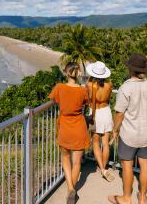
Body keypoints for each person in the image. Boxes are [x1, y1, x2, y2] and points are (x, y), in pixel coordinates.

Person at [108, 53, 147, 204]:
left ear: (130, 69)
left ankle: (126, 198)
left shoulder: (125, 87)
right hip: (146, 133)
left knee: (127, 165)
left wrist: (115, 130)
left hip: (129, 133)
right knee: (145, 165)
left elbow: (119, 114)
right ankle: (142, 197)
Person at [49, 62, 90, 204]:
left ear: (66, 73)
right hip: (79, 126)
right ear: (78, 73)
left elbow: (53, 98)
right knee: (77, 162)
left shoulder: (59, 87)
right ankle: (71, 191)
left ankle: (71, 188)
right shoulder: (83, 90)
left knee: (65, 158)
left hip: (65, 127)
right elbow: (86, 102)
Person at [85, 61, 115, 182]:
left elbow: (88, 100)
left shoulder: (89, 84)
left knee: (96, 142)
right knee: (105, 142)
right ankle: (104, 167)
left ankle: (102, 168)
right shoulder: (109, 85)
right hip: (106, 111)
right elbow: (108, 99)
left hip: (95, 113)